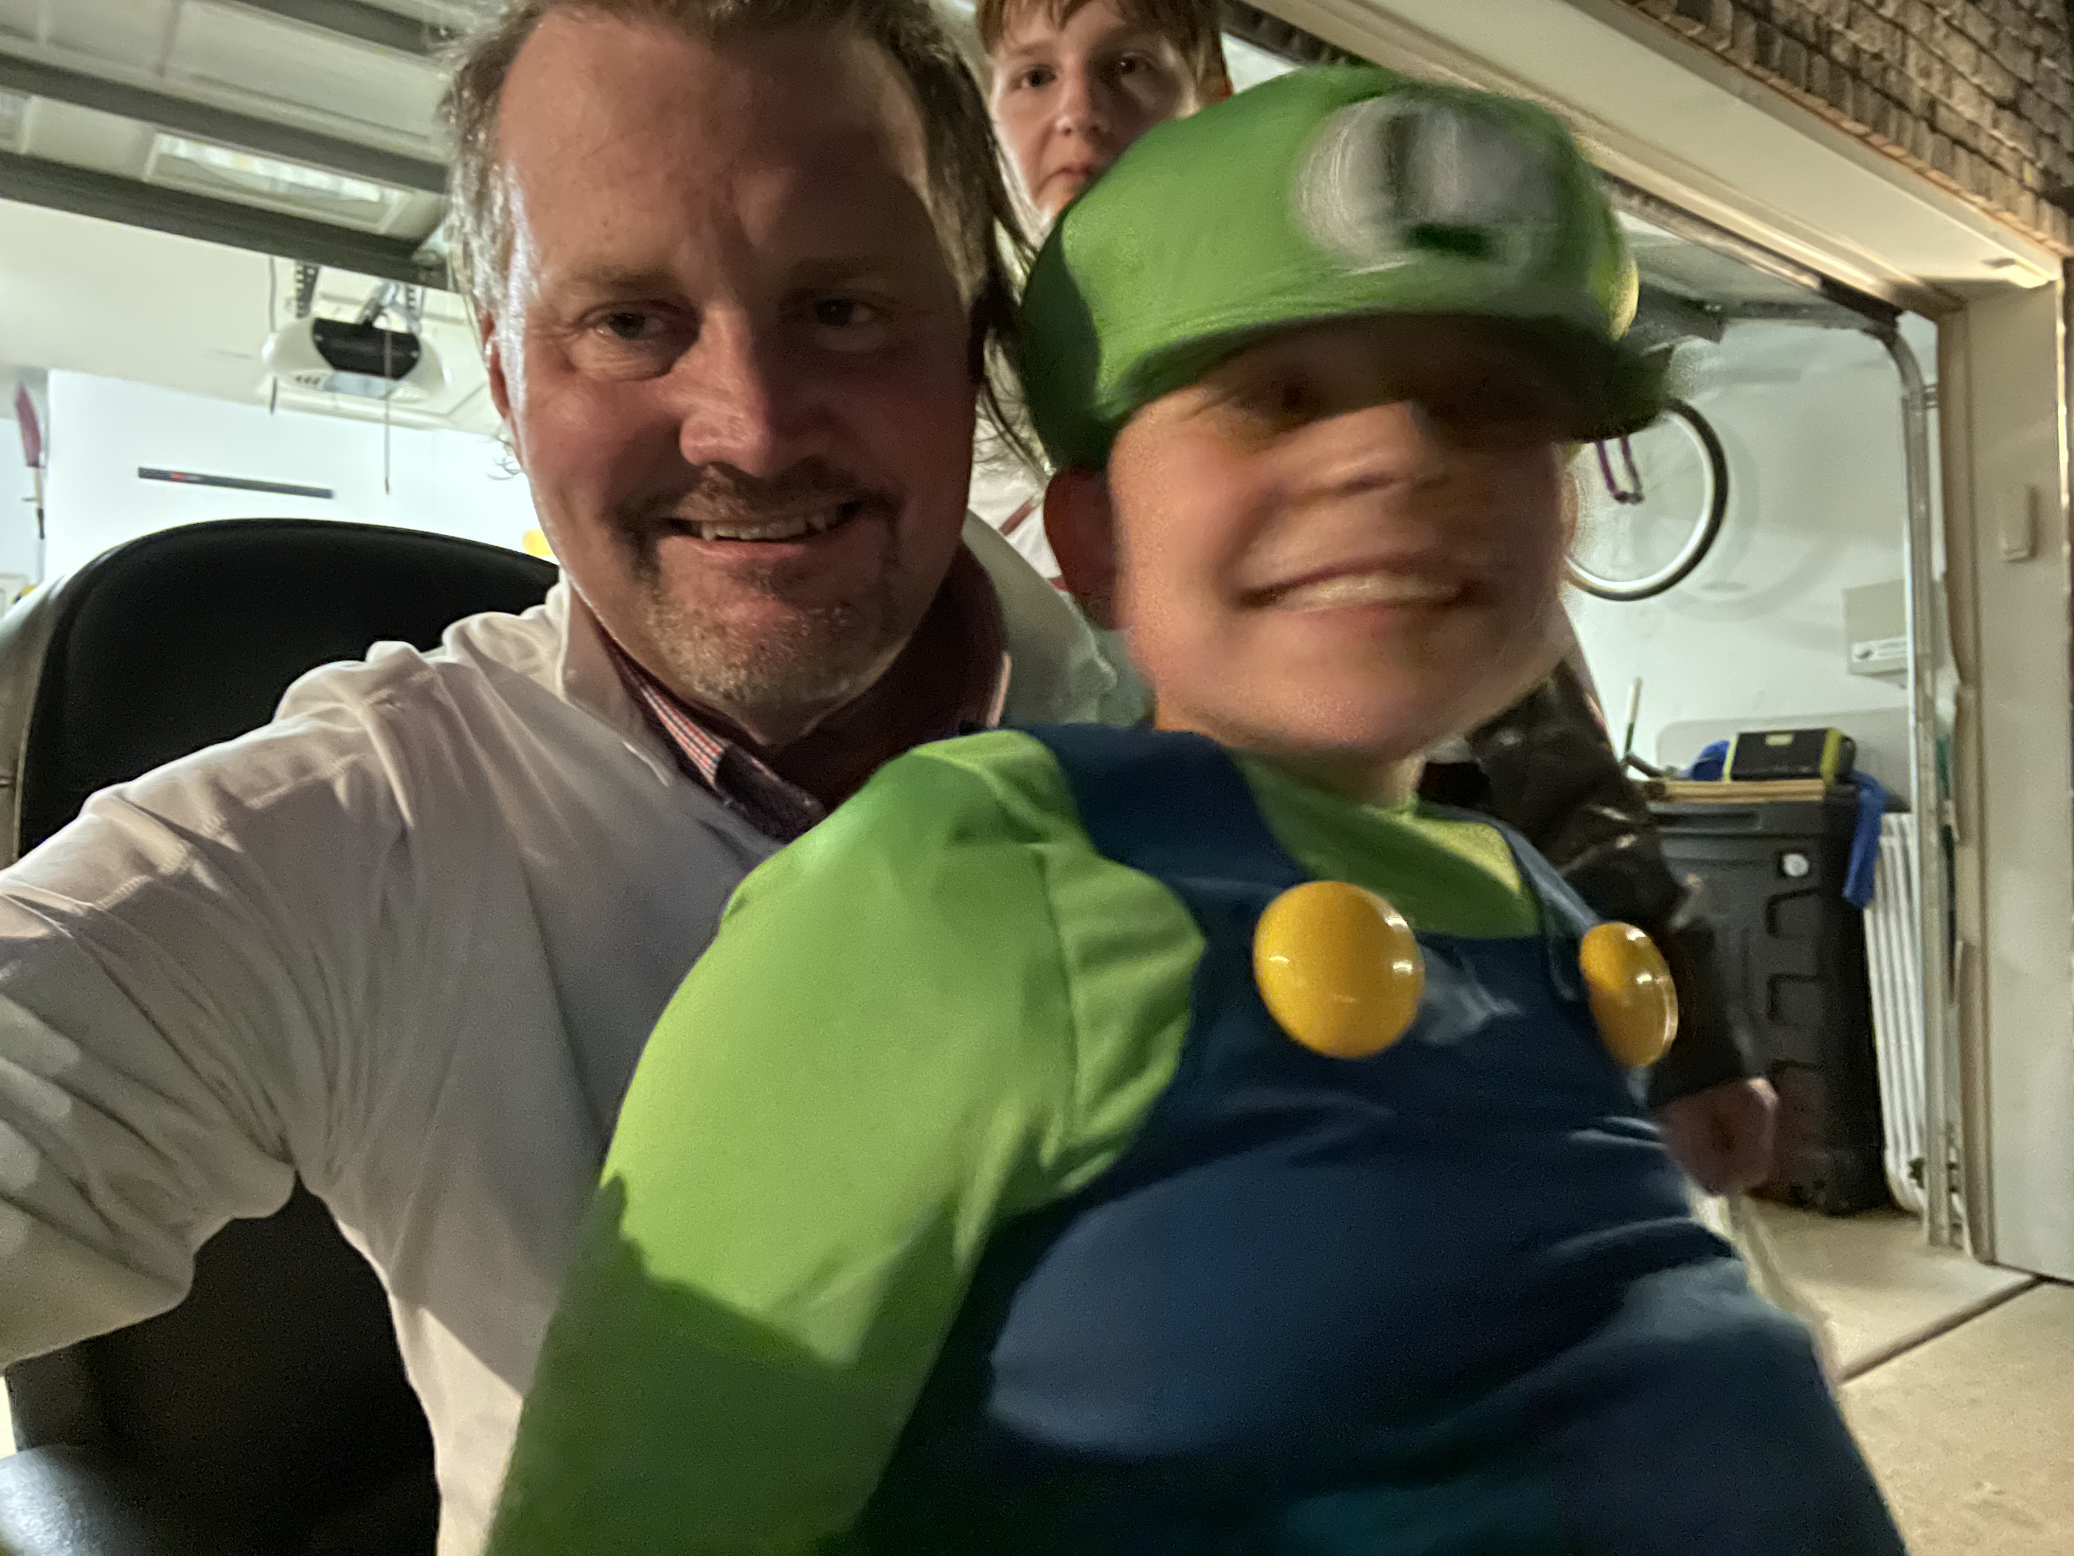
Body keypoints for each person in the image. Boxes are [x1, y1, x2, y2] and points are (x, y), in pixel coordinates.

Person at [486, 68, 1905, 1556]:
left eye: (1488, 405)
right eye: (1273, 396)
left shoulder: (1520, 893)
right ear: (1095, 537)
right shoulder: (971, 879)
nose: (1399, 453)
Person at [0, 3, 1143, 1551]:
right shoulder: (362, 836)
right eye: (628, 322)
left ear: (970, 334)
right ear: (505, 370)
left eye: (840, 308)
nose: (751, 429)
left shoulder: (1179, 749)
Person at [972, 0, 1778, 1196]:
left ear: (1211, 97)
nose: (1078, 112)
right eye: (1033, 76)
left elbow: (1546, 735)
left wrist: (1685, 1016)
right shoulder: (969, 377)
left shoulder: (1369, 296)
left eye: (1129, 67)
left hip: (1395, 944)